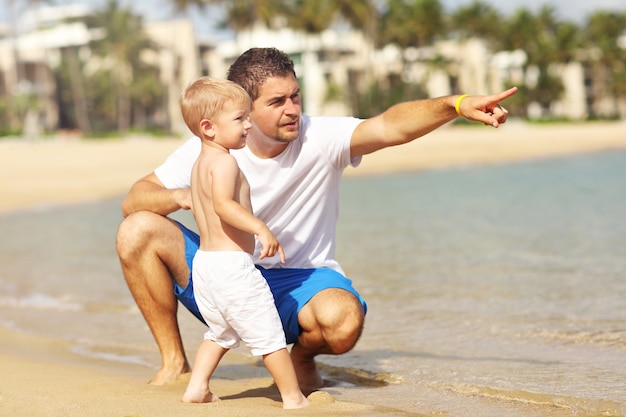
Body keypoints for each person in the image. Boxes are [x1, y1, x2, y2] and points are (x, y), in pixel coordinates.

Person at [116, 47, 517, 390]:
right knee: (137, 229)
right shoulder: (209, 148)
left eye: (295, 96)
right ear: (245, 108)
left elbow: (391, 126)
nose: (292, 110)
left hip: (299, 277)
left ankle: (301, 357)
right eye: (277, 102)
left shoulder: (320, 137)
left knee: (342, 322)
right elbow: (135, 199)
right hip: (223, 274)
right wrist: (179, 195)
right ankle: (173, 361)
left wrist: (455, 104)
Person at [177, 77, 309, 408]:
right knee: (269, 335)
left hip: (207, 265)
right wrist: (261, 229)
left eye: (248, 116)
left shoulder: (199, 164)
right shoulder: (224, 161)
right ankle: (293, 398)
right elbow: (223, 205)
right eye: (239, 119)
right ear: (208, 127)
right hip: (231, 267)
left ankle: (198, 388)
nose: (248, 124)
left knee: (221, 333)